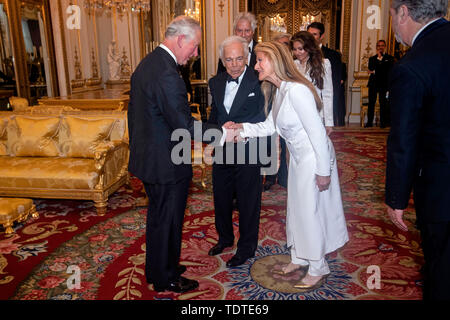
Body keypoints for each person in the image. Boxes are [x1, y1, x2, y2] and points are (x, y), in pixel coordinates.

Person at [228, 41, 348, 290]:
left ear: (276, 61)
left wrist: (323, 172)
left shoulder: (297, 91)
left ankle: (317, 266)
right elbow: (271, 126)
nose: (256, 65)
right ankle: (300, 257)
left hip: (314, 158)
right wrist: (242, 128)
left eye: (261, 60)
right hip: (298, 159)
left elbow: (318, 134)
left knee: (309, 212)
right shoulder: (281, 90)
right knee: (296, 209)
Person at [128, 16, 230, 294]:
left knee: (160, 217)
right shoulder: (167, 74)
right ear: (181, 39)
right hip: (166, 162)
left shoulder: (149, 63)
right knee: (168, 219)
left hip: (152, 157)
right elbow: (184, 126)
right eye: (195, 46)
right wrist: (221, 131)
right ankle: (165, 278)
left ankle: (160, 266)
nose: (195, 53)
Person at [385, 0, 450, 301]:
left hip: (442, 190)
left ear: (404, 12)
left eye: (393, 15)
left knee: (441, 269)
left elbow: (404, 140)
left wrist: (396, 199)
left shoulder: (412, 66)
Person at [207, 36, 268, 267]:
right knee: (221, 198)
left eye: (239, 58)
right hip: (222, 148)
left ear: (247, 57)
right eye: (229, 59)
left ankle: (246, 248)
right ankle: (224, 238)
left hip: (249, 148)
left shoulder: (259, 80)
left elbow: (263, 117)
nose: (234, 64)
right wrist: (213, 135)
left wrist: (240, 127)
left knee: (248, 201)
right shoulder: (216, 82)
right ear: (223, 60)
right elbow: (215, 115)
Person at [291, 31, 334, 135]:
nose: (297, 53)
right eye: (295, 49)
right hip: (295, 115)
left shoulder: (324, 64)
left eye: (301, 49)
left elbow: (327, 94)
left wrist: (329, 122)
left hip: (315, 113)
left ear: (309, 47)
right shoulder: (292, 65)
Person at [307, 22, 346, 126]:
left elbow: (335, 84)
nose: (311, 37)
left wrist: (331, 112)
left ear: (322, 36)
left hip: (324, 104)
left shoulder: (333, 56)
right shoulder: (300, 54)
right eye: (309, 34)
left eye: (314, 34)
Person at [366, 40, 395, 128]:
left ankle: (383, 123)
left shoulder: (389, 58)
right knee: (371, 103)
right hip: (373, 84)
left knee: (383, 104)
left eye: (382, 45)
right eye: (378, 46)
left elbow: (387, 71)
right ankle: (369, 123)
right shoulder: (372, 59)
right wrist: (378, 67)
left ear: (385, 46)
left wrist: (375, 70)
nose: (380, 47)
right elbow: (370, 68)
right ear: (376, 47)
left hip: (384, 84)